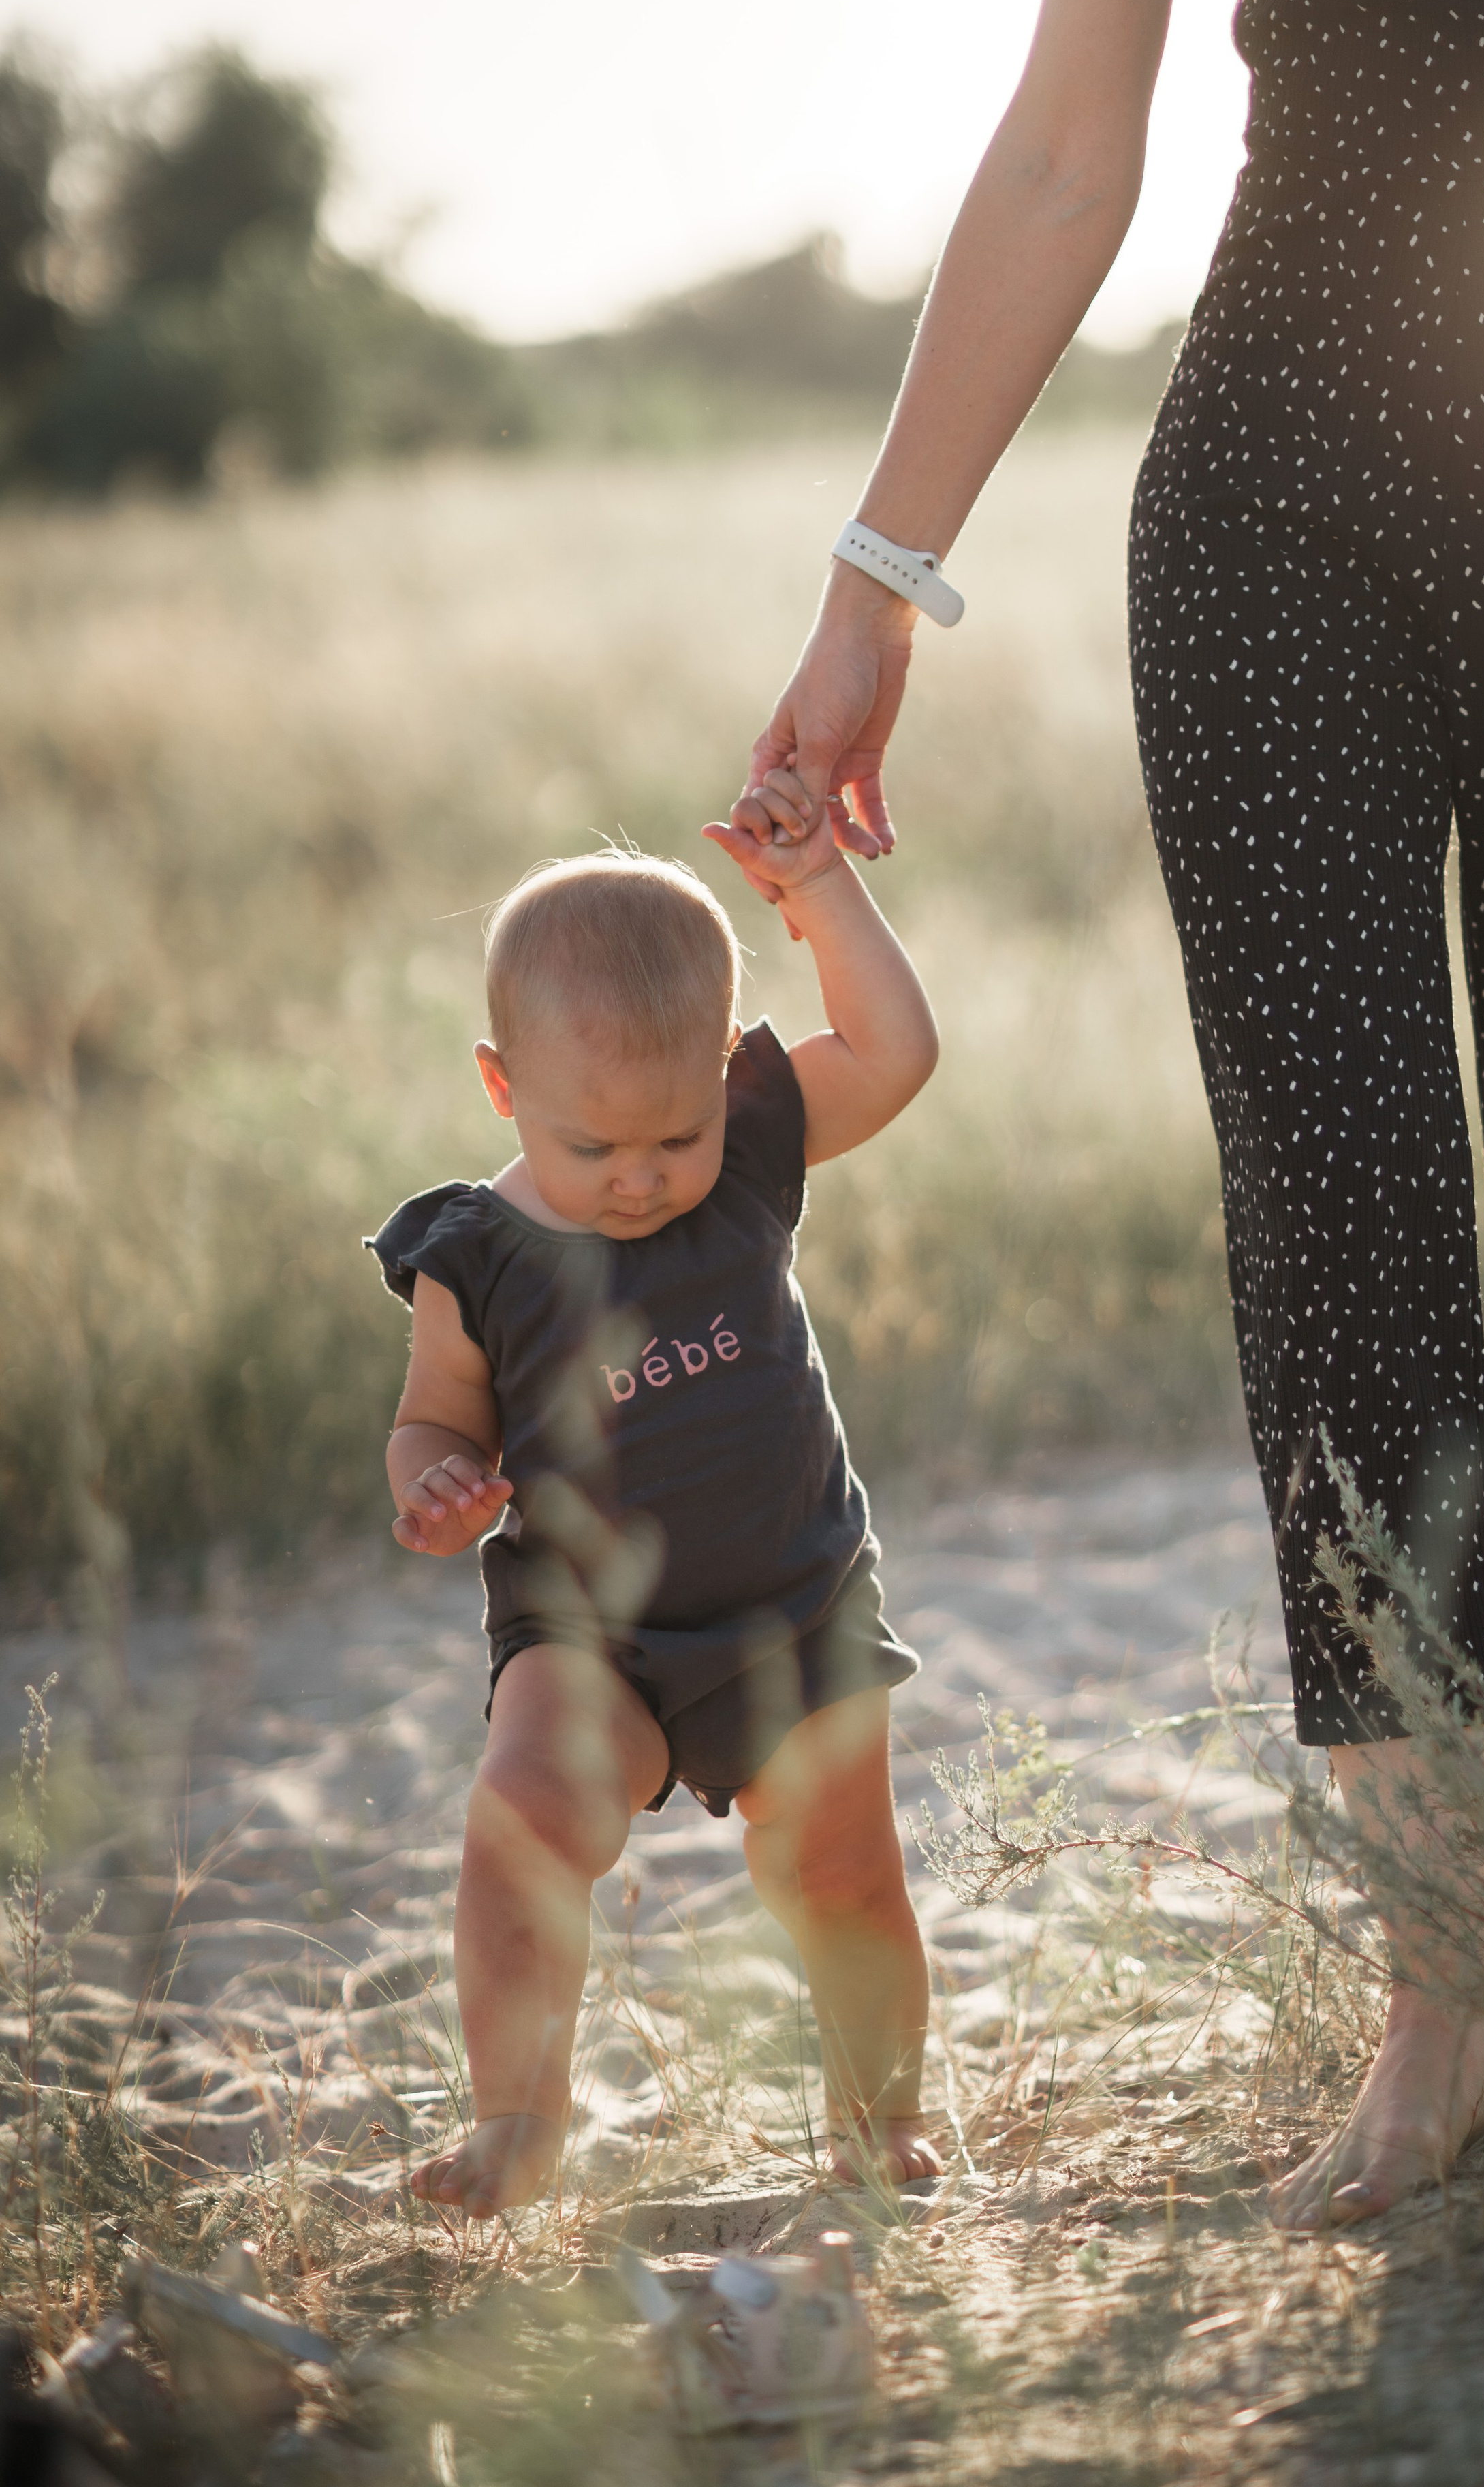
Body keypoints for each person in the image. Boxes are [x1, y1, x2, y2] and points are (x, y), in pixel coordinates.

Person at [727, 0, 1484, 2227]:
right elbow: (1079, 139)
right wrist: (877, 588)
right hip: (1290, 500)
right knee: (1344, 1213)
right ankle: (1443, 2010)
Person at [366, 819, 941, 2217]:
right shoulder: (474, 1263)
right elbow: (432, 1418)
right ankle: (515, 2116)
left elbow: (892, 1054)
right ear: (503, 1089)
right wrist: (431, 1481)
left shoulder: (745, 1157)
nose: (639, 1175)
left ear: (723, 1067)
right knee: (521, 1820)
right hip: (589, 1631)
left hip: (795, 1605)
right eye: (592, 1144)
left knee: (846, 1875)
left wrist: (815, 888)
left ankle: (878, 2125)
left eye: (673, 1133)